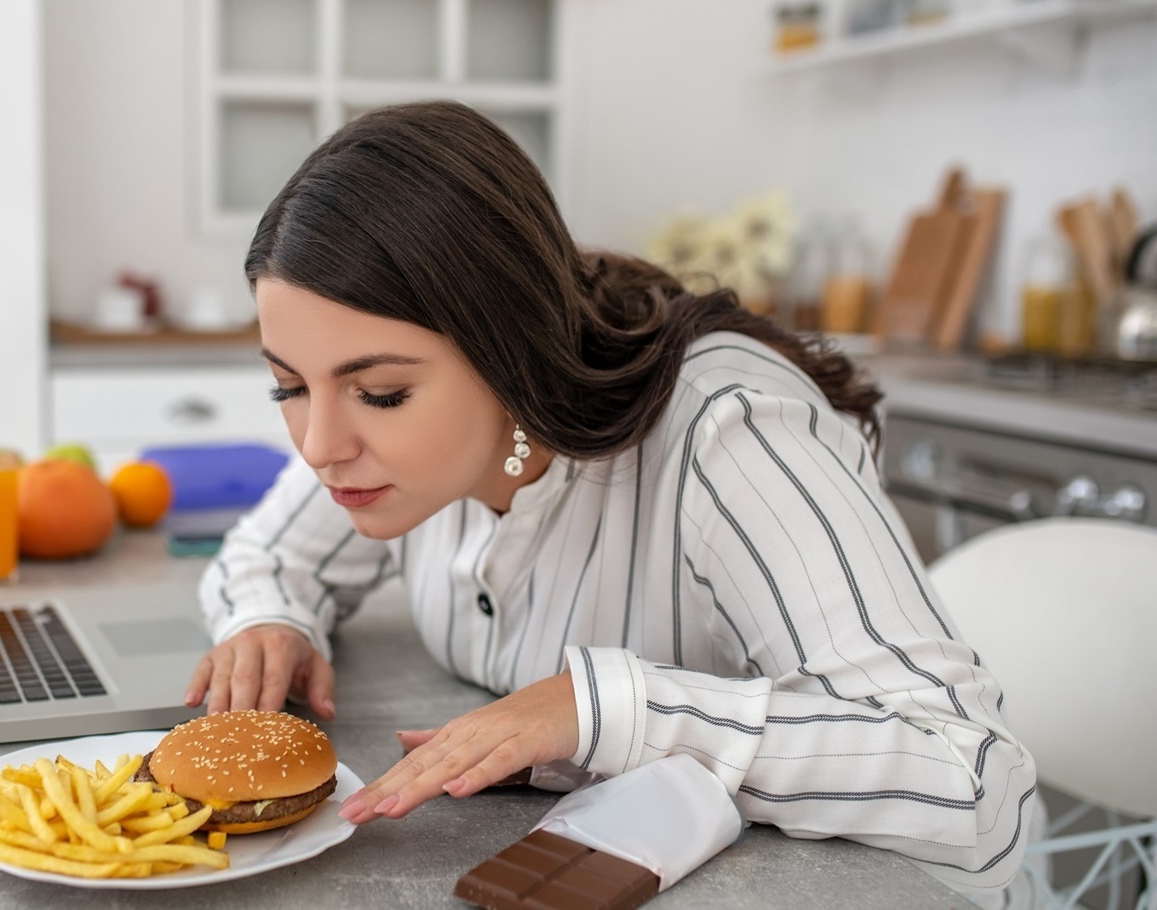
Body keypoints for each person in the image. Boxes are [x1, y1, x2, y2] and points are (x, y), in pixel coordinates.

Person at [182, 100, 1034, 895]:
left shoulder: (728, 432)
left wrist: (612, 708)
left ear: (507, 353)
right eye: (287, 387)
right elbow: (268, 555)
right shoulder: (381, 455)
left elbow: (978, 783)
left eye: (382, 394)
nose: (319, 445)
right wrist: (269, 623)